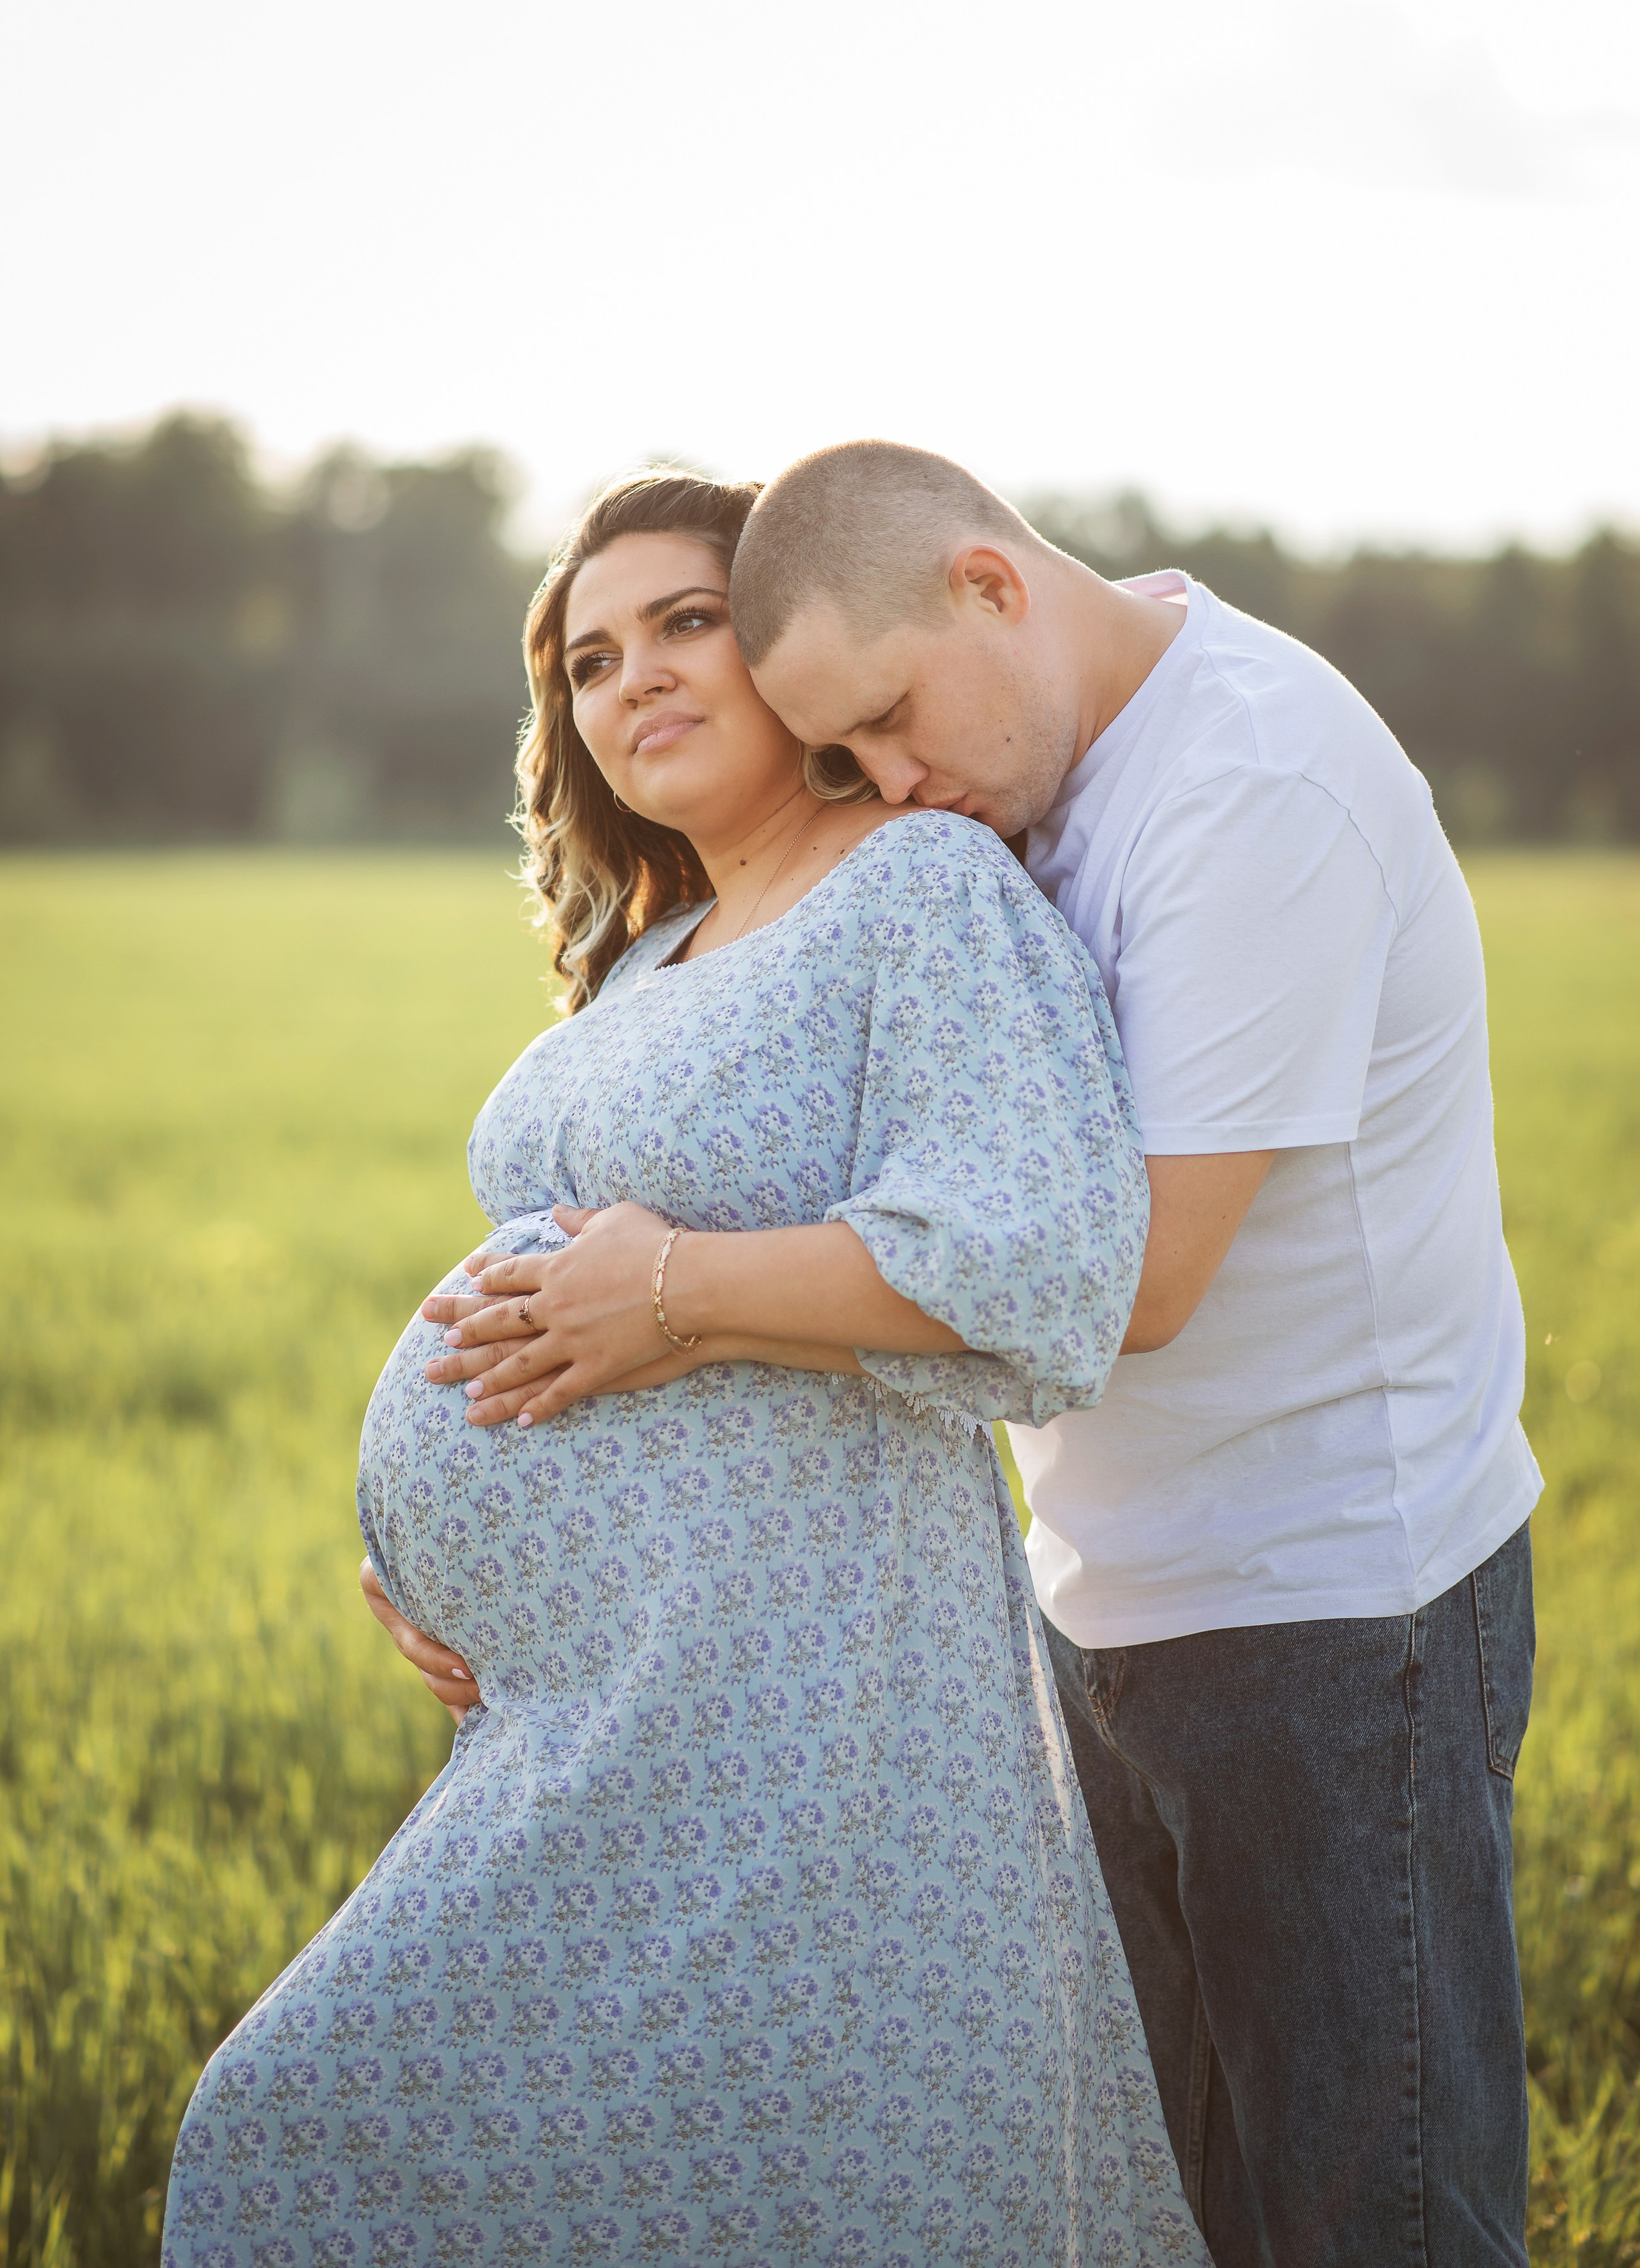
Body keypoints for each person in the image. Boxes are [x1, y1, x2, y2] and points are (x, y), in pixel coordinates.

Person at [163, 470, 1208, 2268]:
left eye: (685, 622)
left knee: (330, 2124)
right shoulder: (646, 955)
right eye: (585, 659)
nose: (629, 675)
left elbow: (1041, 1257)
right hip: (594, 1708)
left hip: (807, 1712)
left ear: (792, 655)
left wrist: (676, 1297)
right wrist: (439, 1561)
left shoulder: (921, 893)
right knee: (351, 2138)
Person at [722, 439, 1540, 2268]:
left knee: (1375, 2224)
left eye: (895, 720)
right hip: (1105, 1607)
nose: (897, 788)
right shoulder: (1020, 793)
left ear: (992, 585)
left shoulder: (1248, 781)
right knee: (1192, 2217)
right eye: (850, 764)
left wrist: (687, 1299)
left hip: (1338, 1616)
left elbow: (1134, 1276)